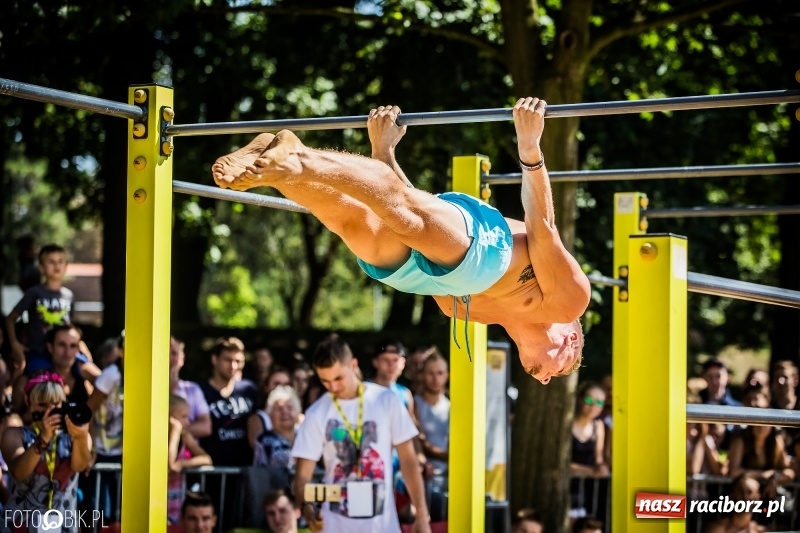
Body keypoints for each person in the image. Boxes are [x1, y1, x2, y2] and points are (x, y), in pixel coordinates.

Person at [212, 98, 591, 384]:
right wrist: (530, 148)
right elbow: (543, 226)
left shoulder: (480, 316)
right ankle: (298, 157)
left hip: (426, 278)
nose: (544, 380)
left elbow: (414, 215)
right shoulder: (568, 302)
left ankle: (275, 167)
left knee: (350, 221)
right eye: (558, 373)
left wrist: (384, 156)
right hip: (489, 250)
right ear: (571, 341)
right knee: (405, 217)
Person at [291, 334, 431, 533]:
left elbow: (409, 460)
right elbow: (302, 476)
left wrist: (422, 515)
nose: (333, 387)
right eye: (325, 381)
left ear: (353, 365)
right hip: (334, 524)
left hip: (382, 526)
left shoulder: (386, 400)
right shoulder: (316, 412)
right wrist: (308, 510)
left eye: (338, 378)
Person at [0, 370, 93, 532]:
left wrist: (80, 437)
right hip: (20, 524)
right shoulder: (15, 434)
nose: (50, 410)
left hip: (63, 524)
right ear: (28, 401)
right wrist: (43, 438)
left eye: (56, 404)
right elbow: (19, 473)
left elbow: (80, 466)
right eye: (43, 404)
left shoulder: (75, 436)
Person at [5, 244, 80, 381]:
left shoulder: (69, 295)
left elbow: (70, 327)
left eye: (60, 261)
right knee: (44, 381)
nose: (56, 265)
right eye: (51, 261)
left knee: (90, 374)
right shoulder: (34, 293)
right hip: (38, 353)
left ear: (66, 266)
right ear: (41, 267)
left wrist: (81, 346)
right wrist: (15, 344)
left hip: (65, 353)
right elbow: (10, 319)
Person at [167, 395, 212, 525]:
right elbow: (170, 465)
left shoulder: (186, 437)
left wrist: (184, 463)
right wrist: (175, 433)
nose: (188, 422)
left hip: (177, 501)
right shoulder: (159, 437)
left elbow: (207, 459)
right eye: (183, 417)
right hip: (159, 501)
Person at [169, 336, 212, 438]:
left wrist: (175, 431)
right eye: (166, 352)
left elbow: (206, 427)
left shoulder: (192, 390)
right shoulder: (148, 391)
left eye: (174, 353)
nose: (169, 358)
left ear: (182, 359)